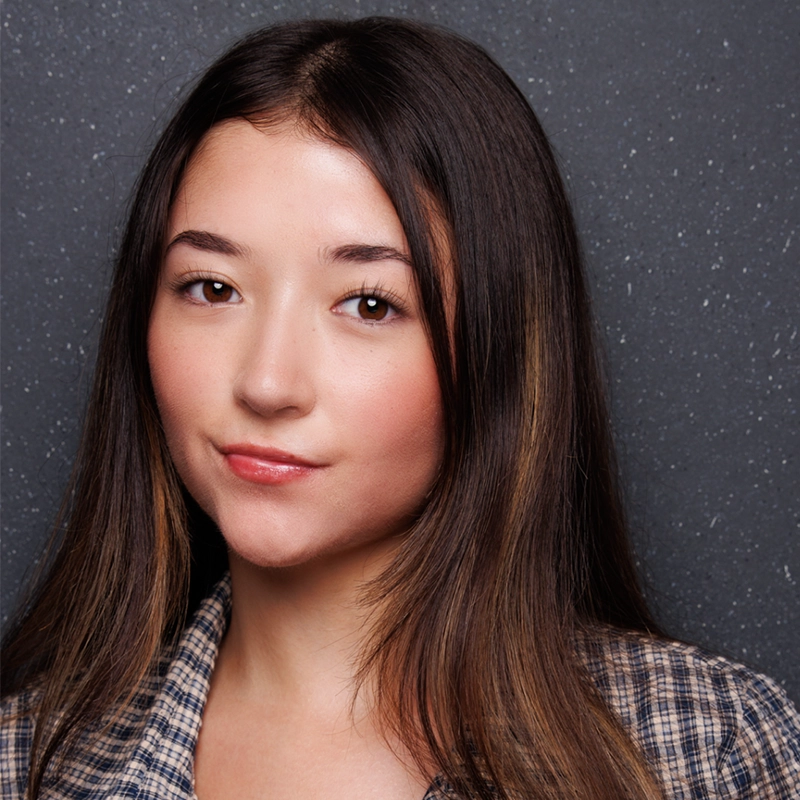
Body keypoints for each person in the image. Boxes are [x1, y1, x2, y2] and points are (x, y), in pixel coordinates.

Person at [1, 16, 798, 800]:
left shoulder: (707, 753)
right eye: (213, 288)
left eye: (369, 304)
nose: (267, 383)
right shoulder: (24, 764)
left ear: (498, 348)